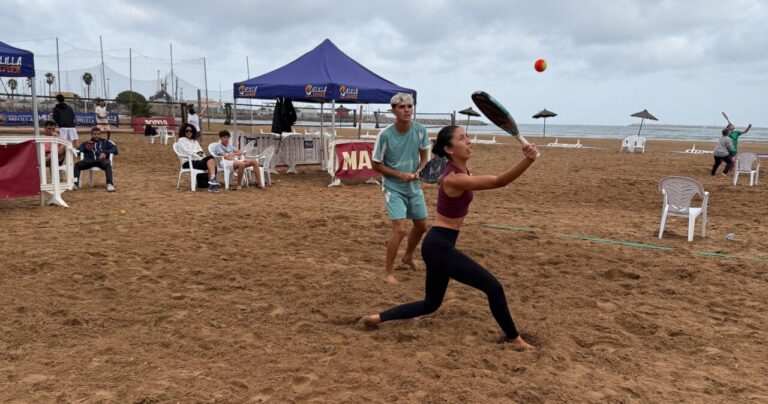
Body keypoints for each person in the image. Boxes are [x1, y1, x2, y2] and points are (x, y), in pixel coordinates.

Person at [362, 125, 539, 350]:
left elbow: (433, 173)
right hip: (439, 246)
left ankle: (377, 318)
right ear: (449, 149)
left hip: (438, 244)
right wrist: (528, 160)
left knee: (430, 304)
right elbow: (499, 181)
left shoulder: (452, 169)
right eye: (462, 138)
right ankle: (515, 338)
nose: (469, 141)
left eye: (467, 137)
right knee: (493, 287)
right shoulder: (455, 178)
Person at [371, 93, 430, 284]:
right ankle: (388, 273)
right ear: (393, 111)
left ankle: (408, 257)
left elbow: (425, 157)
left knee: (421, 226)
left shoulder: (420, 130)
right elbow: (376, 165)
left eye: (409, 106)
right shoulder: (385, 135)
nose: (407, 110)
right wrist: (400, 175)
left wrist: (420, 170)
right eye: (402, 107)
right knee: (400, 230)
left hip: (414, 186)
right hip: (393, 187)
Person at [176, 123, 221, 192]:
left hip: (198, 160)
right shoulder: (181, 140)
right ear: (183, 131)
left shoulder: (194, 141)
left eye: (191, 131)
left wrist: (199, 153)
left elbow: (201, 151)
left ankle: (212, 182)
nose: (189, 132)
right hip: (188, 162)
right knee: (210, 162)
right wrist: (197, 153)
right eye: (187, 131)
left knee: (211, 161)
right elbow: (187, 152)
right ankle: (212, 182)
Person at [73, 127, 117, 192]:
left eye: (98, 134)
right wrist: (86, 149)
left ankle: (109, 184)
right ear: (91, 134)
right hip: (89, 160)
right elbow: (78, 151)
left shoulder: (105, 142)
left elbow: (115, 149)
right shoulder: (86, 143)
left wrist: (105, 152)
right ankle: (75, 184)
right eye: (95, 134)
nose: (96, 136)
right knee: (77, 164)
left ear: (101, 134)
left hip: (101, 160)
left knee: (108, 164)